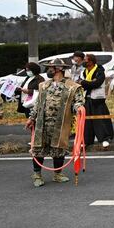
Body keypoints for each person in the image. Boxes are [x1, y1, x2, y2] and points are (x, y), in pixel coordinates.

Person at [25, 58, 85, 187]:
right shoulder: (44, 85)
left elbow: (78, 102)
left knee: (58, 148)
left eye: (51, 67)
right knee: (38, 149)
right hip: (42, 123)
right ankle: (37, 174)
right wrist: (31, 118)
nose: (49, 70)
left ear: (60, 69)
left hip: (61, 123)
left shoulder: (72, 87)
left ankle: (57, 174)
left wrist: (79, 108)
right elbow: (38, 104)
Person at [79, 53, 113, 147]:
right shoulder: (84, 72)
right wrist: (88, 83)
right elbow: (80, 83)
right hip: (87, 98)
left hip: (98, 99)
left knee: (100, 120)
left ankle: (104, 138)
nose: (84, 62)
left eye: (85, 60)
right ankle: (87, 140)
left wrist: (84, 83)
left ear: (91, 61)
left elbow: (97, 83)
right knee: (87, 121)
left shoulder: (99, 71)